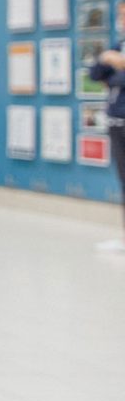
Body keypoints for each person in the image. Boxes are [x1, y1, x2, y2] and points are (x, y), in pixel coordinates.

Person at [89, 45, 125, 252]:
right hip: (116, 124)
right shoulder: (117, 46)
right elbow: (95, 74)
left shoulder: (117, 56)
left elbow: (113, 80)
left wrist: (117, 66)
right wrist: (106, 58)